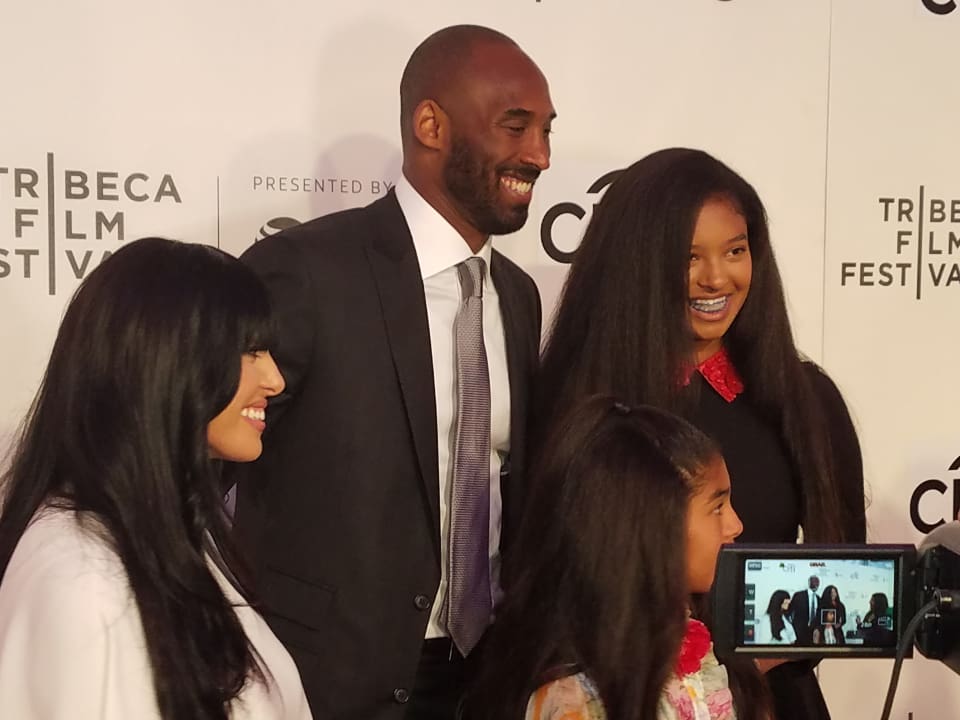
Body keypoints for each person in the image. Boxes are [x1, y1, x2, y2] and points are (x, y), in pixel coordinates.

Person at [229, 24, 554, 720]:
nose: (540, 155)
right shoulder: (309, 272)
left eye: (547, 131)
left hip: (484, 678)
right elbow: (201, 466)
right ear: (430, 125)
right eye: (515, 126)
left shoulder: (519, 297)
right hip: (324, 681)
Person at [535, 148, 866, 720]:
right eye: (690, 257)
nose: (718, 278)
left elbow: (847, 586)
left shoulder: (805, 399)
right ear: (639, 262)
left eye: (736, 251)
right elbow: (547, 592)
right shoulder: (578, 402)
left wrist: (733, 674)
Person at [0, 237, 310, 719]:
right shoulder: (82, 582)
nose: (275, 379)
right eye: (251, 350)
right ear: (168, 361)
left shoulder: (162, 533)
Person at [467, 396, 768, 720]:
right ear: (649, 524)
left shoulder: (697, 642)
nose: (735, 525)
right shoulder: (574, 699)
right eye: (717, 507)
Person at [789, 575, 822, 645]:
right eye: (814, 581)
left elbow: (819, 616)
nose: (816, 584)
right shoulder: (799, 595)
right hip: (798, 632)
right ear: (809, 582)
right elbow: (789, 611)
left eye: (817, 582)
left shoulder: (819, 599)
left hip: (812, 634)